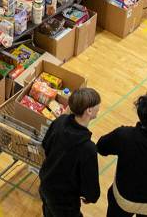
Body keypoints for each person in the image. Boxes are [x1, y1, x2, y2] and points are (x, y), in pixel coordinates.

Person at [39, 87, 102, 217]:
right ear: (89, 110)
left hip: (45, 185)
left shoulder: (60, 121)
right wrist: (91, 197)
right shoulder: (87, 148)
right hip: (64, 201)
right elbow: (90, 183)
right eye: (98, 105)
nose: (99, 107)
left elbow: (45, 145)